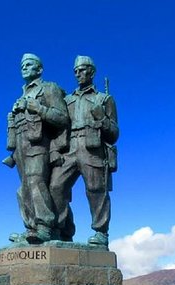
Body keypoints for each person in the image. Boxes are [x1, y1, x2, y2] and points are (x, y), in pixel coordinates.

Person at [49, 55, 119, 246]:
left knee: (96, 190)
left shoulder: (104, 99)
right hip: (69, 148)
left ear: (92, 72)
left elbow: (114, 134)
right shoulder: (67, 100)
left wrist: (102, 119)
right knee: (55, 187)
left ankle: (100, 233)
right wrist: (55, 150)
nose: (78, 73)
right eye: (76, 71)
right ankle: (63, 230)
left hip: (92, 149)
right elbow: (58, 128)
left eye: (82, 69)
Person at [4, 53, 69, 244]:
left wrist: (37, 108)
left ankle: (45, 227)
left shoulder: (49, 88)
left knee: (35, 183)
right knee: (23, 189)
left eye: (29, 64)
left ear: (39, 69)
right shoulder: (21, 95)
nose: (24, 67)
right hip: (21, 148)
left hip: (40, 145)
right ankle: (31, 228)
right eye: (22, 65)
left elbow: (62, 117)